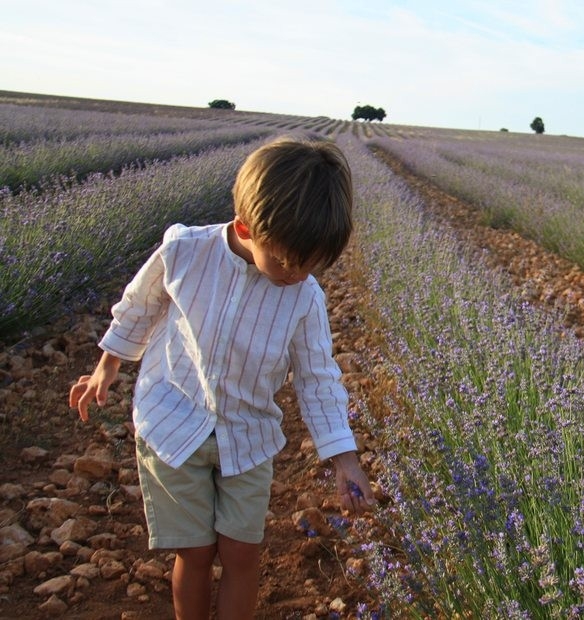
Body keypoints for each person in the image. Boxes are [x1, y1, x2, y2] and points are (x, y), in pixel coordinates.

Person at [68, 136, 375, 619]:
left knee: (241, 554)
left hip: (248, 438)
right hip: (172, 421)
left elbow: (318, 378)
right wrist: (106, 365)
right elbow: (139, 304)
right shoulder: (185, 251)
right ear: (245, 227)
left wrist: (345, 460)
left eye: (310, 265)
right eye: (286, 263)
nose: (296, 276)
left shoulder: (304, 296)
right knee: (193, 553)